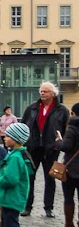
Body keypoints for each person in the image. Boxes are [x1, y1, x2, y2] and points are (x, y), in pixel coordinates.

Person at [20, 81, 70, 217]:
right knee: (29, 178)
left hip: (51, 149)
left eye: (45, 91)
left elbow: (67, 130)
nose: (42, 93)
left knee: (50, 179)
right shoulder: (31, 109)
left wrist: (60, 144)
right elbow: (23, 126)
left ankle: (48, 208)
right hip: (33, 148)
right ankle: (27, 206)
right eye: (41, 91)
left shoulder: (62, 110)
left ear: (53, 94)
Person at [53, 102, 79, 227]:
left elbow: (66, 146)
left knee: (69, 198)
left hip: (71, 169)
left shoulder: (72, 126)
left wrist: (58, 141)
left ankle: (69, 224)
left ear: (73, 113)